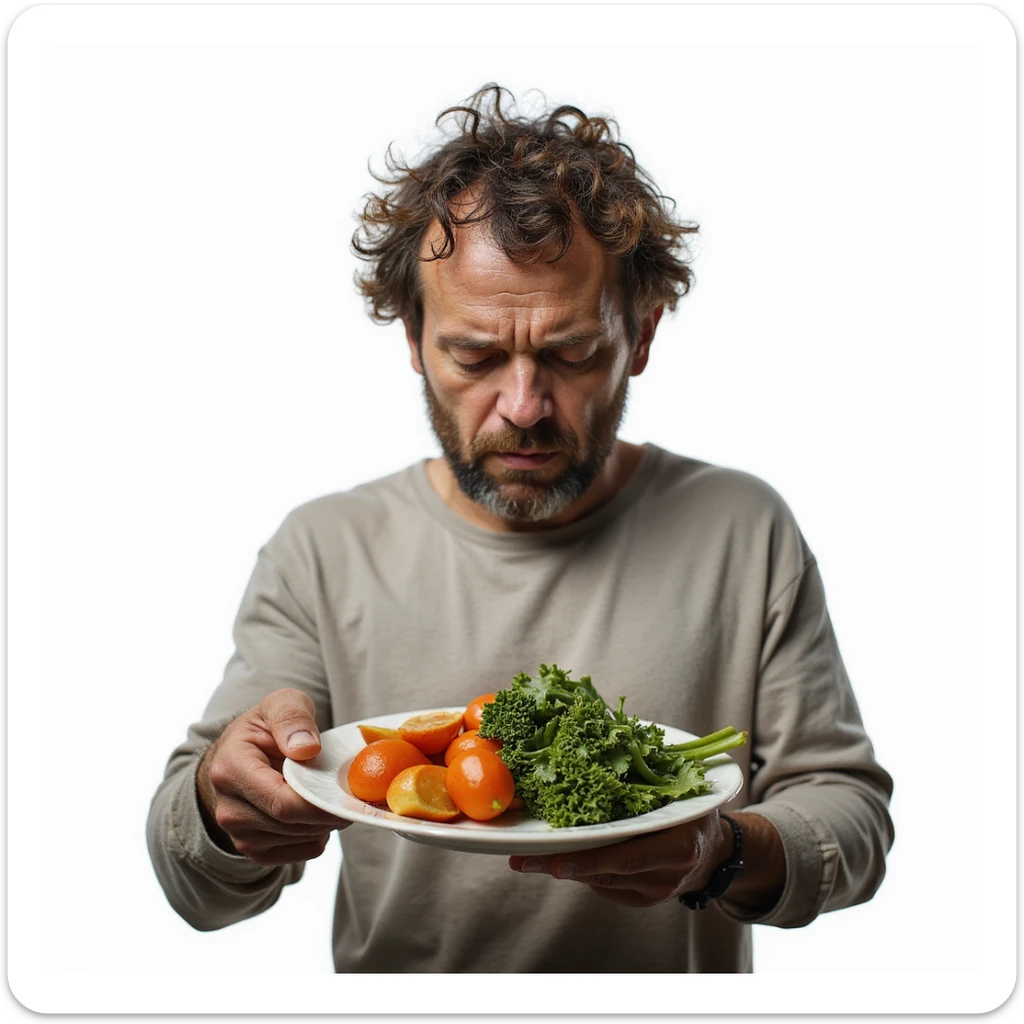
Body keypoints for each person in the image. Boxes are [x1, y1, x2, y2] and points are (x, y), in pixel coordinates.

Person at [146, 84, 894, 973]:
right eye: (474, 355)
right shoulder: (323, 550)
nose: (524, 406)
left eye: (572, 353)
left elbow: (847, 814)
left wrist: (719, 853)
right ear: (414, 339)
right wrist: (221, 804)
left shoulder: (743, 528)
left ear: (642, 336)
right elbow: (192, 879)